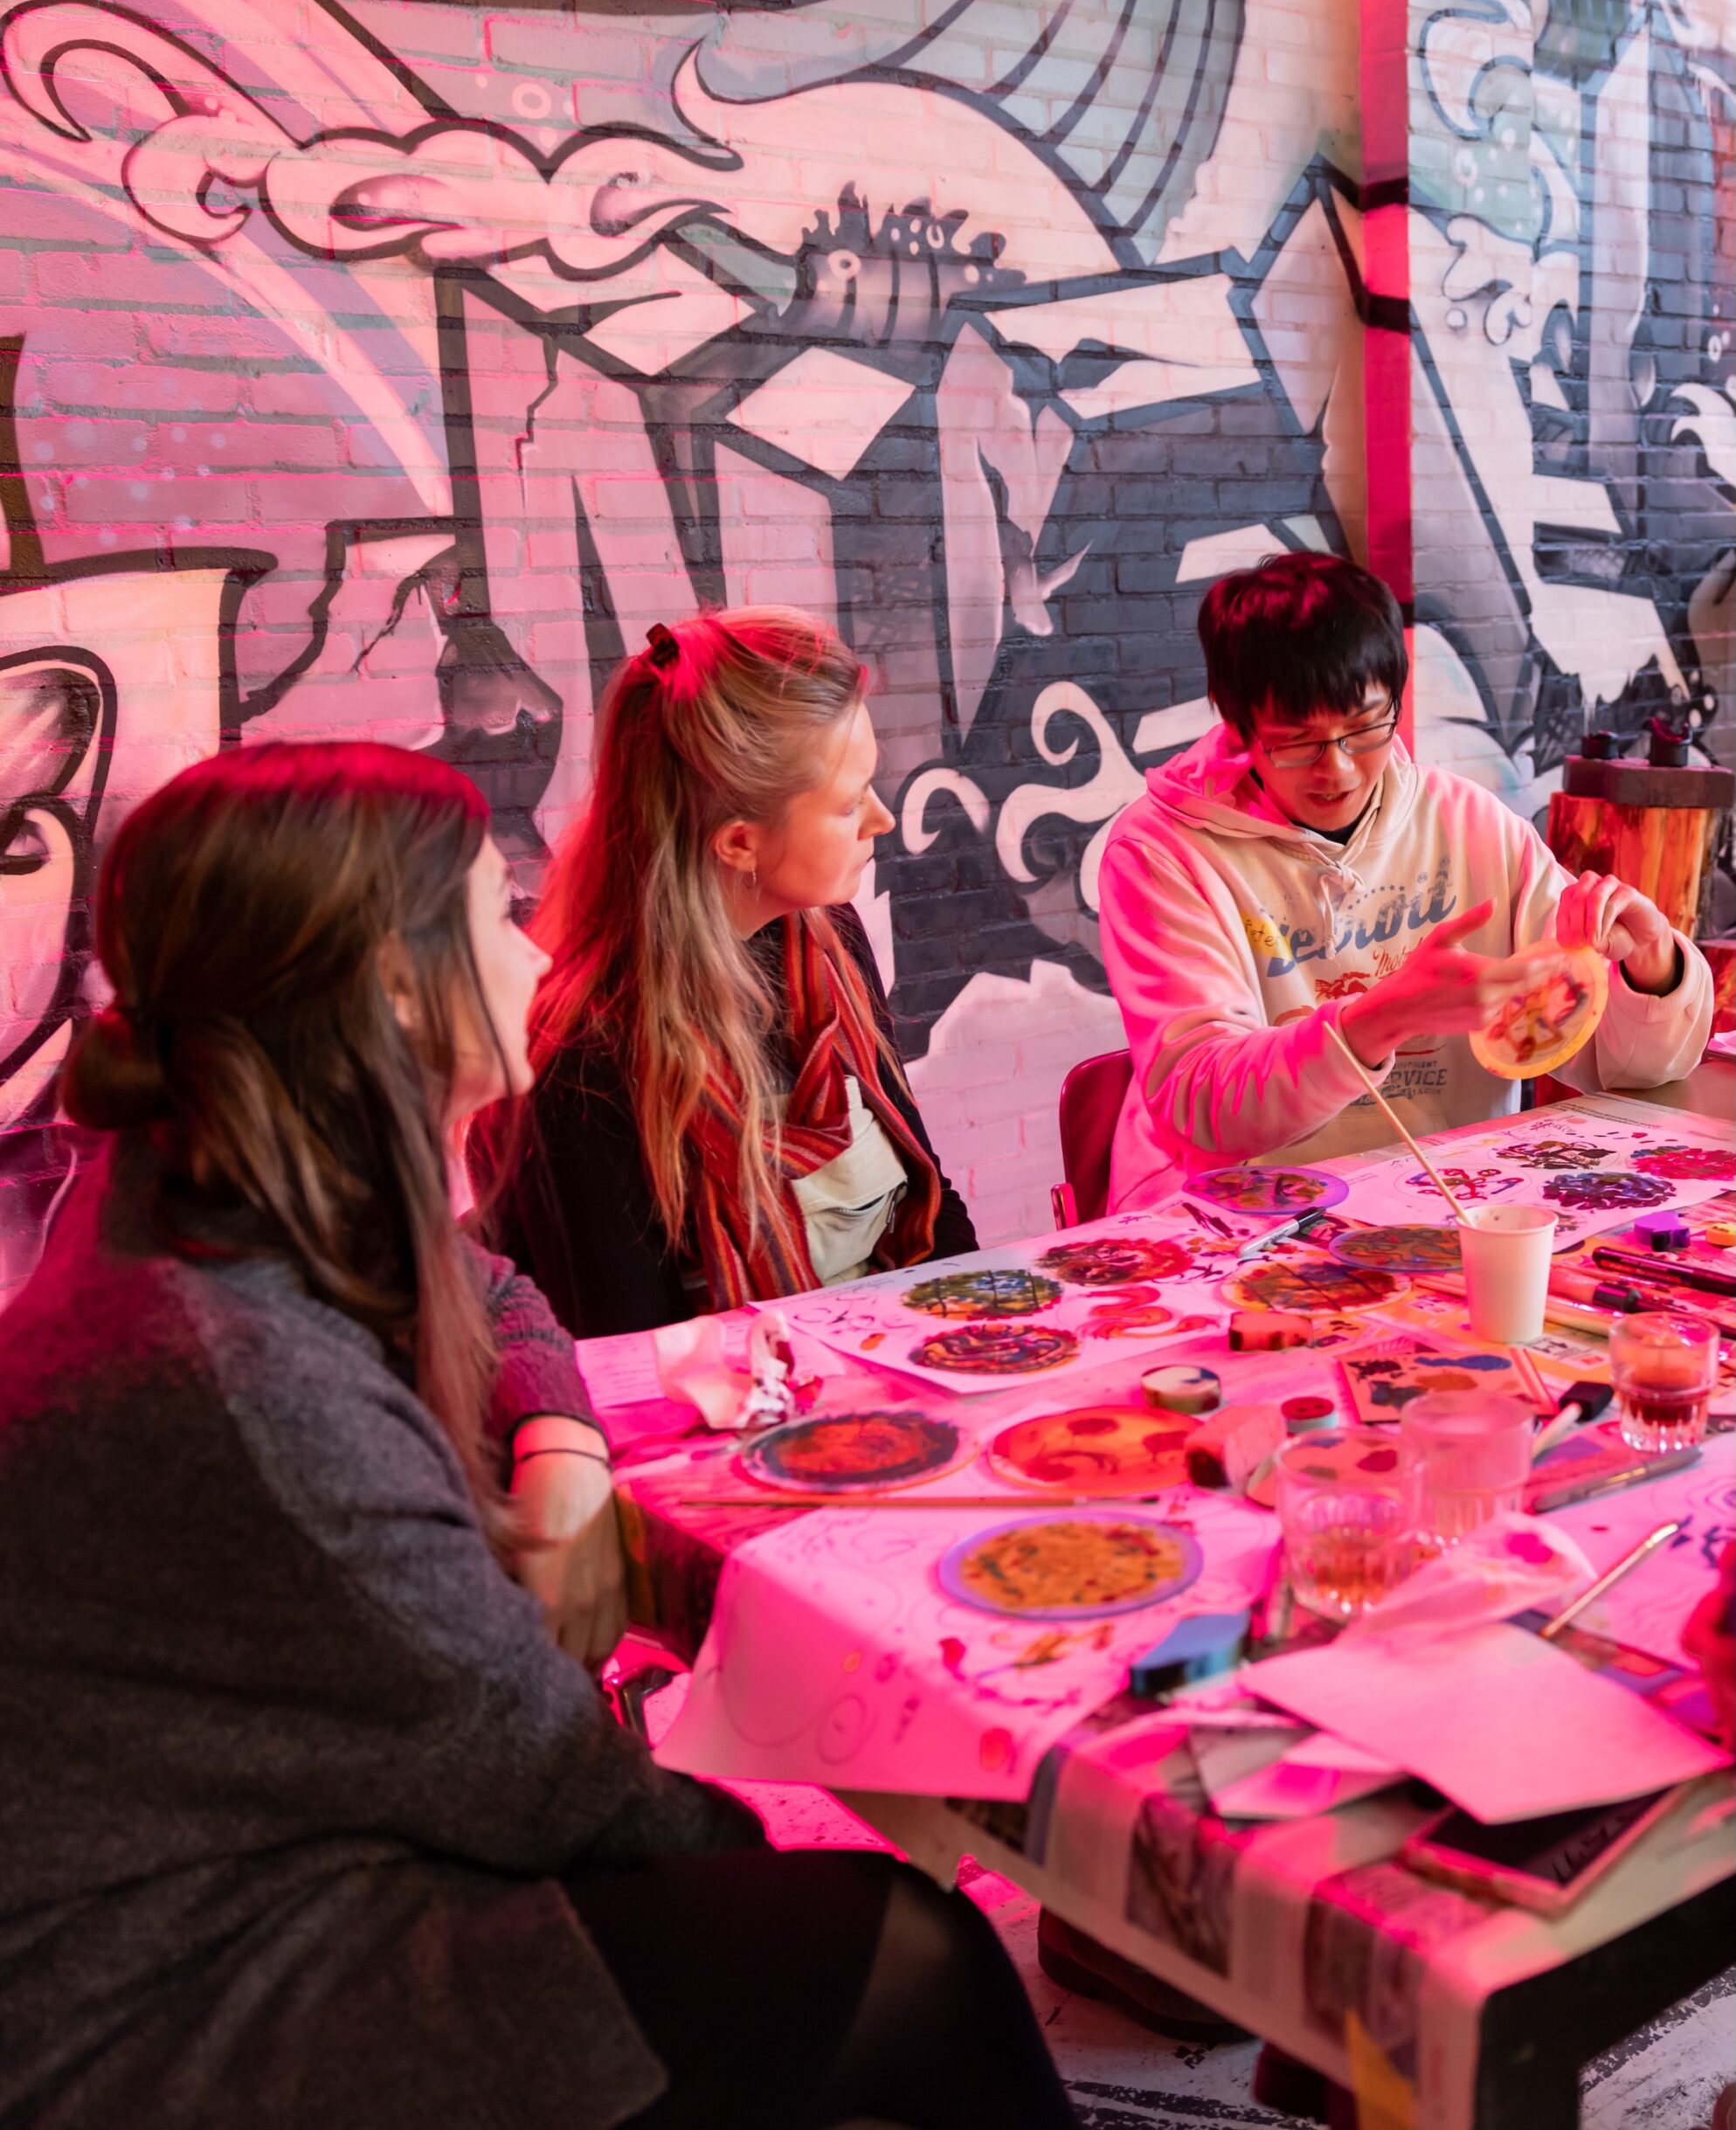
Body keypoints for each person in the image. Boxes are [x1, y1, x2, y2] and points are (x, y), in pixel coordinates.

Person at [0, 741, 1077, 2130]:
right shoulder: (241, 1384)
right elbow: (548, 1783)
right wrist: (772, 1869)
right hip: (167, 1993)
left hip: (260, 1854)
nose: (528, 949)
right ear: (394, 985)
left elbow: (487, 1284)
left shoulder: (211, 1183)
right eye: (494, 909)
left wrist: (561, 1461)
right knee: (907, 1947)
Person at [1099, 553, 1713, 1208]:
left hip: (1447, 1198)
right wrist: (1380, 1018)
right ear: (1239, 724)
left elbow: (1620, 1067)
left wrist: (1651, 973)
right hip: (1237, 1216)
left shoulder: (1467, 823)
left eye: (1364, 729)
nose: (1335, 770)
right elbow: (1203, 1101)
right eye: (1297, 741)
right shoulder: (1162, 850)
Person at [478, 608, 977, 1338]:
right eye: (846, 803)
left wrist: (987, 1342)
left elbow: (925, 1190)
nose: (881, 819)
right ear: (739, 843)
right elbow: (631, 1355)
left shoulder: (828, 939)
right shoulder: (584, 1060)